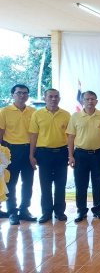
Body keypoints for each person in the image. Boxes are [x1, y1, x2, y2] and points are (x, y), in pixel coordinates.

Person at [29, 89, 71, 223]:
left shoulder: (66, 114)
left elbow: (71, 136)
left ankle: (59, 211)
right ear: (45, 98)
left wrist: (71, 154)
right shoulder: (38, 114)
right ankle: (46, 212)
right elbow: (34, 135)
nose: (53, 99)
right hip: (43, 153)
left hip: (61, 152)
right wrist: (31, 155)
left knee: (61, 184)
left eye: (56, 97)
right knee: (45, 184)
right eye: (50, 96)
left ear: (59, 98)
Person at [66, 91, 100, 222]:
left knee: (98, 183)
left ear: (96, 101)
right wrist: (71, 156)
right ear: (82, 101)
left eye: (92, 99)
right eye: (87, 99)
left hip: (98, 153)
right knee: (81, 184)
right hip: (80, 154)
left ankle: (97, 209)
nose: (90, 101)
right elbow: (71, 137)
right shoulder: (75, 116)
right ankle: (81, 211)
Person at [0, 84, 37, 225]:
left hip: (29, 150)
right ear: (12, 95)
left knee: (28, 182)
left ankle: (25, 210)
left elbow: (36, 133)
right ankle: (12, 212)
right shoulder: (4, 112)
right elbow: (1, 133)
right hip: (10, 151)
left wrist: (33, 152)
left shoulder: (33, 112)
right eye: (19, 93)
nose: (22, 95)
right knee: (11, 182)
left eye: (25, 93)